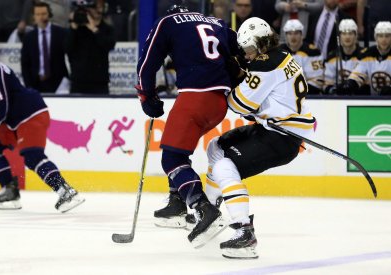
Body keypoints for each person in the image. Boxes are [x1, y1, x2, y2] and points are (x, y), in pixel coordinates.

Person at [205, 17, 315, 259]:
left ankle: (244, 232)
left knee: (225, 165)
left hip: (281, 138)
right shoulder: (280, 55)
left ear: (259, 42)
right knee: (216, 146)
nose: (246, 54)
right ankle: (209, 209)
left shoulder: (265, 65)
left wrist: (231, 77)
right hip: (273, 130)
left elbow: (239, 104)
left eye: (248, 48)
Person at [136, 5, 245, 247]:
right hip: (219, 103)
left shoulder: (167, 22)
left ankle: (203, 208)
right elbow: (242, 51)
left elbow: (147, 63)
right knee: (179, 149)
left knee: (172, 159)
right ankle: (176, 203)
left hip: (196, 97)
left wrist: (147, 96)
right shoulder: (217, 23)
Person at [0, 38, 85, 212]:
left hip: (30, 114)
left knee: (32, 156)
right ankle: (10, 192)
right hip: (13, 120)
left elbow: (1, 110)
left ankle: (66, 191)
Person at [21, 1, 70, 93]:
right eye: (38, 14)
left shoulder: (61, 33)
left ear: (49, 14)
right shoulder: (29, 37)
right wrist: (28, 85)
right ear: (34, 17)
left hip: (59, 83)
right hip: (35, 83)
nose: (41, 17)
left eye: (44, 14)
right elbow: (25, 63)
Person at [68, 0, 116, 94]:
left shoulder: (107, 29)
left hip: (99, 82)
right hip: (78, 81)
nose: (97, 10)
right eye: (94, 7)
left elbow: (109, 45)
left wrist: (94, 29)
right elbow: (67, 48)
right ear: (88, 9)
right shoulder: (78, 28)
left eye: (100, 7)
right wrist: (73, 28)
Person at [345, 21, 391, 95]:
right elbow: (358, 74)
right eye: (380, 36)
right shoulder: (367, 54)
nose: (384, 39)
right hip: (372, 101)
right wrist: (349, 84)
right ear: (376, 37)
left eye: (387, 36)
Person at [280, 19, 324, 94]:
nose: (293, 37)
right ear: (286, 35)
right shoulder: (279, 51)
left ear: (302, 35)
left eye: (296, 33)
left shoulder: (312, 52)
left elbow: (318, 80)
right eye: (290, 34)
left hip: (308, 95)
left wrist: (300, 91)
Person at [323, 19, 364, 94]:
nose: (347, 37)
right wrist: (334, 90)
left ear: (356, 36)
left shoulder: (364, 56)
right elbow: (327, 83)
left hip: (359, 100)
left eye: (350, 33)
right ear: (339, 37)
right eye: (344, 34)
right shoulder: (331, 57)